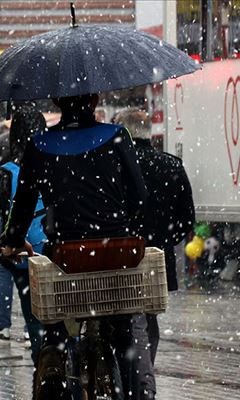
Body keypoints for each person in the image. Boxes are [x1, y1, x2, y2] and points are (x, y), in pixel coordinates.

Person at [0, 94, 154, 399]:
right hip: (116, 253)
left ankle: (53, 365)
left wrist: (12, 241)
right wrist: (121, 221)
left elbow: (24, 207)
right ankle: (134, 388)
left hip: (66, 256)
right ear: (95, 98)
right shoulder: (117, 136)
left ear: (57, 101)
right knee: (124, 334)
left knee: (55, 329)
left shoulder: (39, 145)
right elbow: (140, 198)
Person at [114, 107, 195, 393]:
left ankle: (131, 380)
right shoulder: (171, 165)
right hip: (155, 261)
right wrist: (160, 241)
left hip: (117, 257)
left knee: (122, 319)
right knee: (148, 320)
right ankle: (142, 376)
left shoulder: (114, 166)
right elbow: (186, 219)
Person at [0, 108, 46, 363]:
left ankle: (46, 375)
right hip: (57, 257)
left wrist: (2, 255)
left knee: (35, 323)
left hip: (24, 259)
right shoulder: (57, 165)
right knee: (62, 324)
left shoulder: (1, 174)